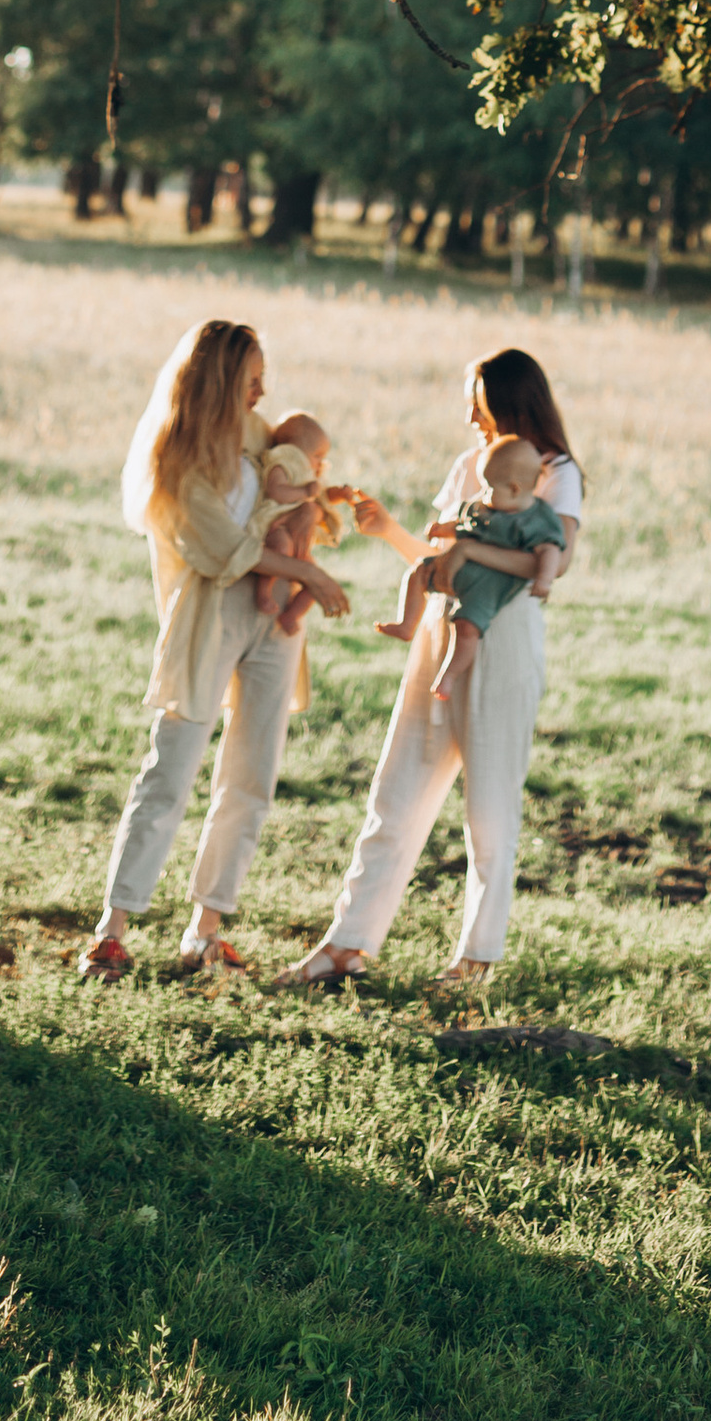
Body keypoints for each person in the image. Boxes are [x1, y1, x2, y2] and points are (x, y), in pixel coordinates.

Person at [287, 346, 583, 995]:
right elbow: (439, 553)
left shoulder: (556, 473)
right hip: (440, 629)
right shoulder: (469, 466)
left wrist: (472, 548)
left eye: (479, 405)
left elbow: (549, 568)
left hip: (502, 644)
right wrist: (392, 530)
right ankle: (345, 944)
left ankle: (477, 957)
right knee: (397, 790)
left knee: (490, 804)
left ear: (509, 403)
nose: (471, 418)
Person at [79, 318, 351, 982]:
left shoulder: (261, 437)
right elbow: (222, 552)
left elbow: (291, 490)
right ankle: (112, 929)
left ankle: (206, 928)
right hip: (212, 612)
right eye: (252, 381)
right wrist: (309, 575)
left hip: (273, 622)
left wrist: (318, 502)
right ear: (224, 381)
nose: (262, 394)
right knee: (170, 769)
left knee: (251, 774)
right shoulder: (177, 458)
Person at [375, 432, 567, 710]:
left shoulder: (536, 520)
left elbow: (549, 552)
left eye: (489, 488)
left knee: (466, 628)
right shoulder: (488, 506)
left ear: (514, 488)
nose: (483, 494)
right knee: (417, 573)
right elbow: (467, 523)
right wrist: (444, 529)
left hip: (486, 587)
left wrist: (545, 581)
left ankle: (449, 676)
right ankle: (406, 623)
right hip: (455, 570)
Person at [253, 410, 346, 635]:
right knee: (281, 547)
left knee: (315, 581)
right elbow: (275, 491)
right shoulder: (282, 463)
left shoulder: (307, 475)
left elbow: (319, 498)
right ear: (296, 450)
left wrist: (338, 494)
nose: (320, 463)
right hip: (277, 527)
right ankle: (263, 593)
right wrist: (303, 491)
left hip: (298, 542)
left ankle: (291, 615)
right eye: (317, 456)